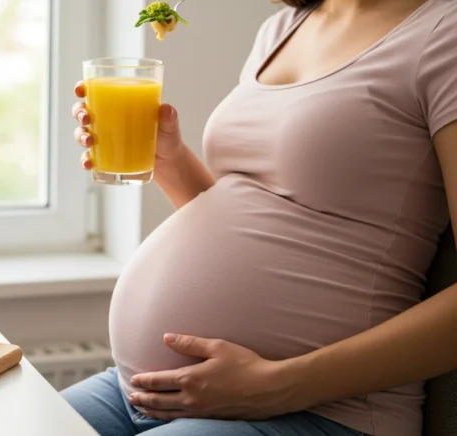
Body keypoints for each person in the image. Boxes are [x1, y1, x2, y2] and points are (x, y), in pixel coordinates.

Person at [61, 0, 457, 435]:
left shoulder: (444, 33)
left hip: (318, 410)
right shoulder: (283, 27)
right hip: (141, 390)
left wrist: (279, 385)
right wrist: (168, 159)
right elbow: (265, 214)